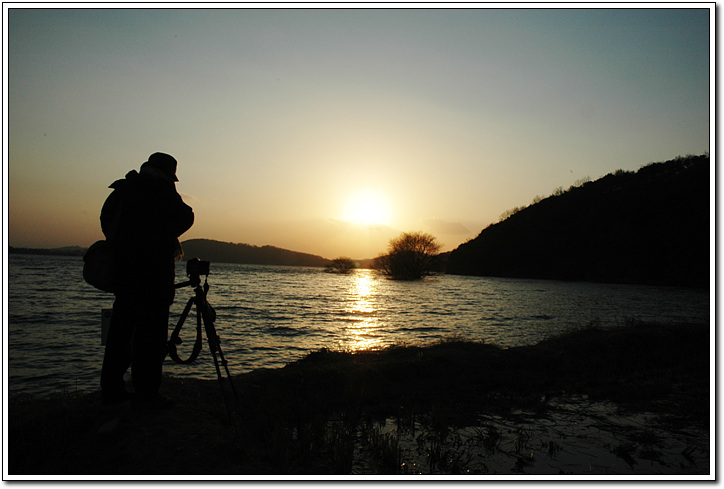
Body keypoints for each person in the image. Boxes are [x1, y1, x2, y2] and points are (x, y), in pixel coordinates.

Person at [99, 152, 194, 407]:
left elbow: (106, 219)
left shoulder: (124, 188)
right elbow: (185, 217)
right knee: (151, 337)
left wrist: (123, 245)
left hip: (125, 273)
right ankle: (147, 394)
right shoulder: (162, 192)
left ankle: (111, 389)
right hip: (154, 277)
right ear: (167, 175)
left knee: (120, 333)